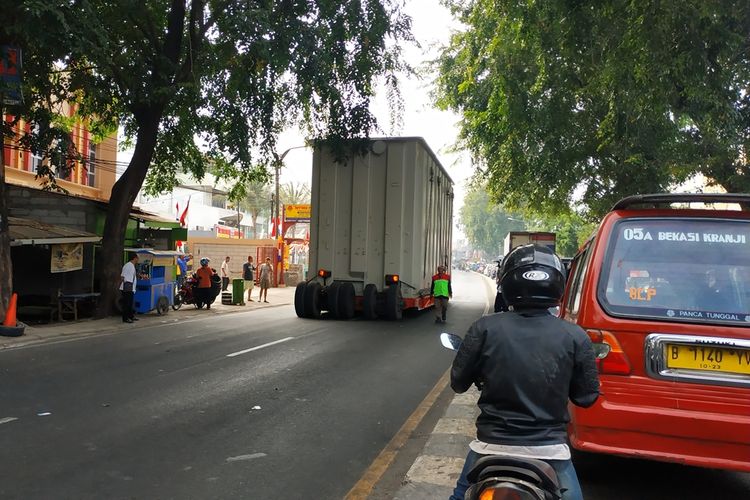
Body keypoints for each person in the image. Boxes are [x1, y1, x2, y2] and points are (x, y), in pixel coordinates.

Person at [449, 244, 600, 500]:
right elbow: (587, 398)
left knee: (460, 496)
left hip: (490, 446)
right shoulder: (575, 336)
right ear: (558, 285)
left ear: (507, 282)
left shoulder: (484, 329)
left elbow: (458, 383)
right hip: (550, 451)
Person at [120, 253, 139, 323]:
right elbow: (122, 277)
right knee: (127, 303)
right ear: (134, 258)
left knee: (130, 303)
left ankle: (131, 316)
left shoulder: (132, 266)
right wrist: (126, 285)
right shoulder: (128, 266)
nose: (138, 260)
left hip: (130, 287)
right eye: (137, 258)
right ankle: (125, 318)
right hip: (127, 288)